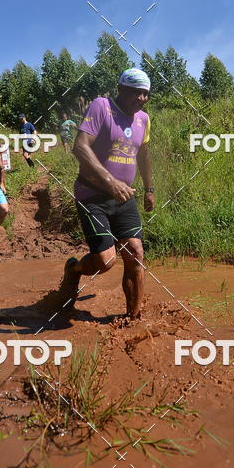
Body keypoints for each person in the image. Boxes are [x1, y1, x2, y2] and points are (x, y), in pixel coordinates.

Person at [58, 68, 155, 319]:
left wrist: (149, 189)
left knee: (135, 252)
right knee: (105, 261)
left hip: (125, 197)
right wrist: (110, 182)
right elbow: (80, 147)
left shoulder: (143, 119)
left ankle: (133, 318)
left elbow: (143, 156)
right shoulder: (102, 107)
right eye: (136, 92)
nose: (142, 98)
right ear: (121, 89)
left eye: (145, 94)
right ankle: (75, 269)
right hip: (92, 195)